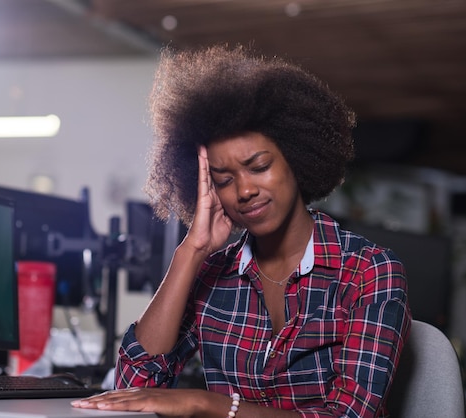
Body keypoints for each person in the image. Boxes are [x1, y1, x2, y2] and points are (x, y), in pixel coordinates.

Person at [72, 44, 411, 418]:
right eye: (224, 178)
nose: (245, 190)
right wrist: (192, 250)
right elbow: (134, 385)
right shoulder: (212, 275)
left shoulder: (368, 271)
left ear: (297, 159)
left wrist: (210, 404)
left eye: (259, 165)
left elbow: (352, 415)